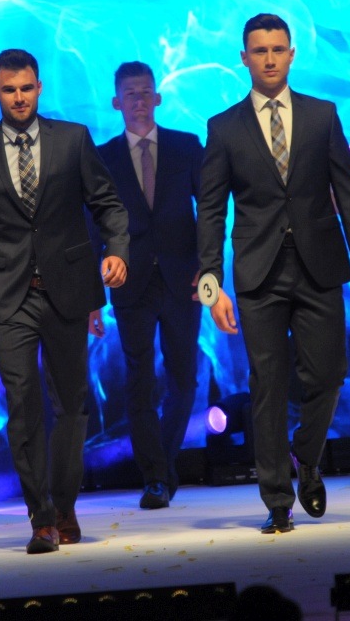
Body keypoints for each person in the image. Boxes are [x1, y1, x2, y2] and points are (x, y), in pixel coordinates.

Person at [196, 14, 350, 534]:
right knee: (267, 385)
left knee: (329, 373)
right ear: (245, 58)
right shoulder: (224, 127)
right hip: (259, 273)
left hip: (319, 265)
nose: (270, 59)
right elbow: (211, 211)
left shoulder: (322, 115)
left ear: (292, 54)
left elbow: (349, 194)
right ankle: (277, 499)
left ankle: (307, 453)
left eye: (278, 49)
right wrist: (211, 284)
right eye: (260, 50)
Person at [0, 49, 129, 553]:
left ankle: (64, 503)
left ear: (39, 87)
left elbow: (108, 204)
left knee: (71, 404)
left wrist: (117, 251)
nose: (19, 97)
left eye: (26, 88)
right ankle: (41, 517)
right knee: (22, 401)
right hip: (7, 296)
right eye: (9, 90)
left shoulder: (72, 139)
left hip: (67, 288)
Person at [94, 61, 203, 509]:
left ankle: (164, 463)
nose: (139, 100)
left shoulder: (186, 146)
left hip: (184, 278)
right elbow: (92, 225)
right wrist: (92, 295)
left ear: (157, 97)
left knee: (184, 379)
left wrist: (208, 266)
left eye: (145, 92)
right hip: (130, 281)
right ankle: (156, 477)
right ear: (116, 102)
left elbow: (210, 209)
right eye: (130, 94)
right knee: (139, 380)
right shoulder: (102, 157)